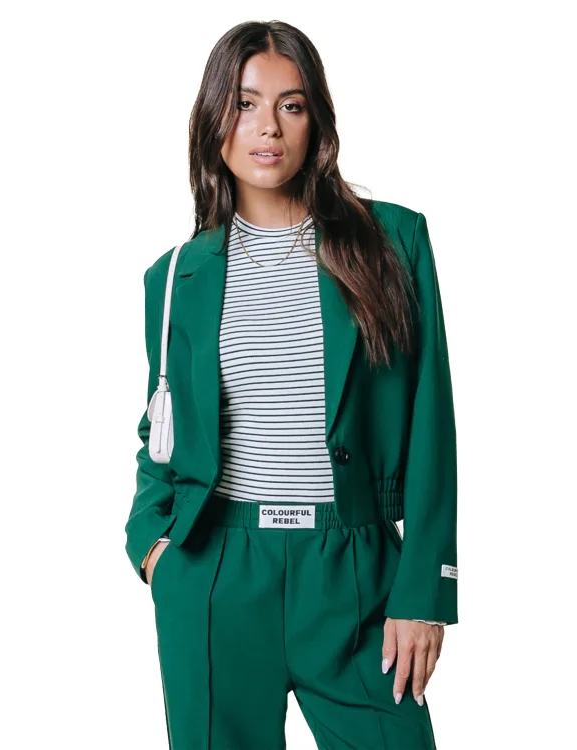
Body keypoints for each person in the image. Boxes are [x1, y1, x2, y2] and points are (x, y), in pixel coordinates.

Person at [124, 19, 458, 750]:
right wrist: (152, 545)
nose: (267, 127)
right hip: (217, 568)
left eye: (291, 105)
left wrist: (424, 592)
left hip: (354, 567)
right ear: (214, 119)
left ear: (317, 122)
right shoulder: (174, 277)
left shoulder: (392, 244)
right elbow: (163, 426)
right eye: (245, 104)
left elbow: (431, 417)